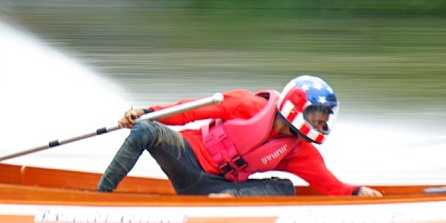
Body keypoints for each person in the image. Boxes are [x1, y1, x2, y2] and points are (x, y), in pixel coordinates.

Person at [96, 75, 383, 197]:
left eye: (325, 117)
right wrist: (146, 112)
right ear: (297, 108)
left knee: (285, 188)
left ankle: (225, 201)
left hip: (220, 188)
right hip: (188, 158)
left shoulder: (300, 152)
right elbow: (187, 112)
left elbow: (330, 185)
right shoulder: (246, 104)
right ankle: (102, 199)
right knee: (146, 130)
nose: (322, 122)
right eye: (318, 114)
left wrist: (357, 192)